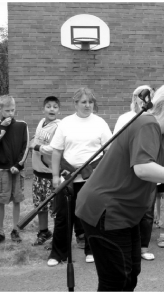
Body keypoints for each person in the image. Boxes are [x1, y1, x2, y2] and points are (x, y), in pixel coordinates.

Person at [75, 81, 164, 291]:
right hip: (106, 210)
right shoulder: (147, 124)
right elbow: (143, 168)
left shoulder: (162, 136)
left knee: (129, 275)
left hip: (125, 213)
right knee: (116, 279)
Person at [47, 88, 112, 266]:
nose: (87, 105)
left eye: (90, 102)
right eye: (83, 102)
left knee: (93, 216)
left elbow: (109, 152)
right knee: (63, 216)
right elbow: (57, 152)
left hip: (92, 178)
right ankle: (59, 253)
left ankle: (92, 250)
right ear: (75, 104)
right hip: (67, 177)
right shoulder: (66, 123)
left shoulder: (100, 123)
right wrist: (54, 176)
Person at [113, 85, 158, 262]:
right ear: (134, 98)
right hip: (127, 171)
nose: (143, 100)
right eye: (140, 96)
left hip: (149, 169)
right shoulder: (125, 118)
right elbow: (115, 143)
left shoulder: (155, 118)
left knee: (147, 210)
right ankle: (128, 246)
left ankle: (143, 247)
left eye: (148, 96)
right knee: (128, 208)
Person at [0, 95, 29, 244]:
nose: (10, 113)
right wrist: (3, 127)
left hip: (17, 169)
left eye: (12, 110)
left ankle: (15, 229)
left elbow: (25, 147)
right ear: (0, 109)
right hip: (2, 169)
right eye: (7, 111)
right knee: (0, 200)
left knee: (17, 200)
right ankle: (0, 231)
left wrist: (19, 165)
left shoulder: (22, 125)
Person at [29, 96, 61, 246]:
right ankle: (43, 232)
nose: (52, 109)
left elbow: (54, 149)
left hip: (50, 174)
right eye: (48, 106)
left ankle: (57, 237)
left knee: (54, 209)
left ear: (58, 110)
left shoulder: (58, 126)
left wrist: (35, 147)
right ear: (43, 109)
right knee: (40, 206)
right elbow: (36, 140)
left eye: (55, 107)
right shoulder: (42, 123)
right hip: (38, 173)